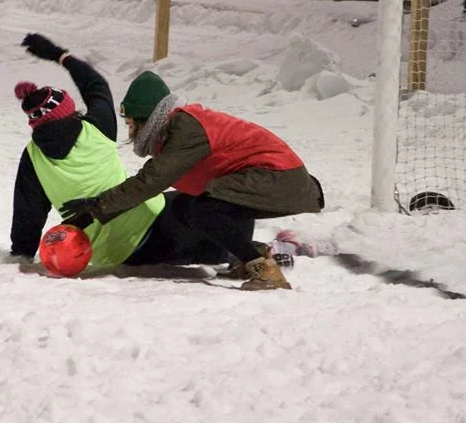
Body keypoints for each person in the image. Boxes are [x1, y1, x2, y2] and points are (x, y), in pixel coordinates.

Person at [59, 70, 325, 291]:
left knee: (202, 210)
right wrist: (97, 211)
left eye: (131, 124)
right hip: (272, 179)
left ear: (147, 119)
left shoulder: (185, 130)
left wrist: (95, 208)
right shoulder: (176, 131)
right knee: (188, 206)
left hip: (280, 179)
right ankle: (248, 258)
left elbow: (150, 181)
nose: (130, 132)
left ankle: (264, 270)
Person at [11, 34, 230, 272]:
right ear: (69, 110)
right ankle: (250, 252)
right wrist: (60, 55)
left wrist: (21, 255)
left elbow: (28, 215)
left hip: (111, 254)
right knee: (210, 205)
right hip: (152, 222)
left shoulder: (33, 158)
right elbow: (95, 85)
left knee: (188, 215)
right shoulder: (96, 127)